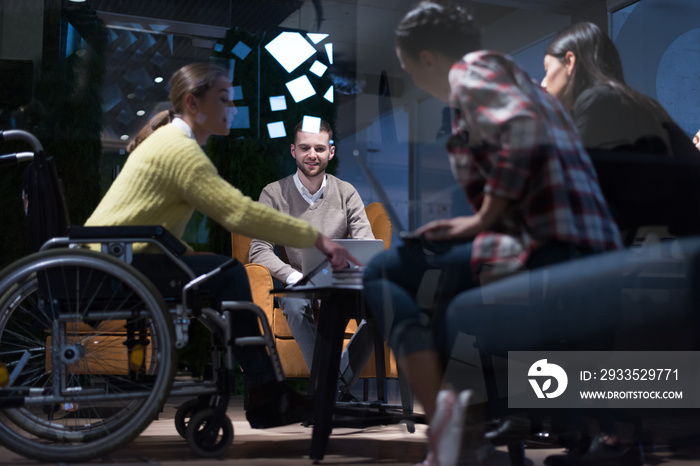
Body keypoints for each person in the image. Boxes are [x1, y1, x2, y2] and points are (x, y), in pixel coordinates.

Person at [362, 2, 622, 465]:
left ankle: (452, 433)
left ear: (427, 59)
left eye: (410, 70)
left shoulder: (473, 71)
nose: (418, 83)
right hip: (581, 248)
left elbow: (520, 131)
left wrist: (480, 220)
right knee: (434, 287)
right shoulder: (520, 85)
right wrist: (472, 226)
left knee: (384, 273)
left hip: (555, 251)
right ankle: (465, 435)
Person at [85, 62, 357, 429]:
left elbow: (150, 221)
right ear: (193, 104)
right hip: (113, 265)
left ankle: (267, 391)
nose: (233, 109)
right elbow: (238, 212)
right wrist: (316, 239)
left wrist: (184, 253)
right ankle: (266, 392)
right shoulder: (179, 149)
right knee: (229, 275)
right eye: (224, 99)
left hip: (120, 257)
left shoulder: (171, 143)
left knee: (221, 272)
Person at [249, 120, 375, 401]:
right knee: (293, 306)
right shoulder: (273, 193)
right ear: (293, 151)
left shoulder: (346, 193)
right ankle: (336, 387)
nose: (312, 154)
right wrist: (293, 276)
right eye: (305, 148)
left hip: (339, 284)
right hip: (298, 283)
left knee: (381, 310)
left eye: (319, 148)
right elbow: (259, 250)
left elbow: (366, 243)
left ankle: (328, 386)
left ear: (331, 152)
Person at [541, 21, 678, 155]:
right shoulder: (644, 104)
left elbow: (574, 169)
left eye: (547, 69)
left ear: (570, 61)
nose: (543, 83)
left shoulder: (596, 100)